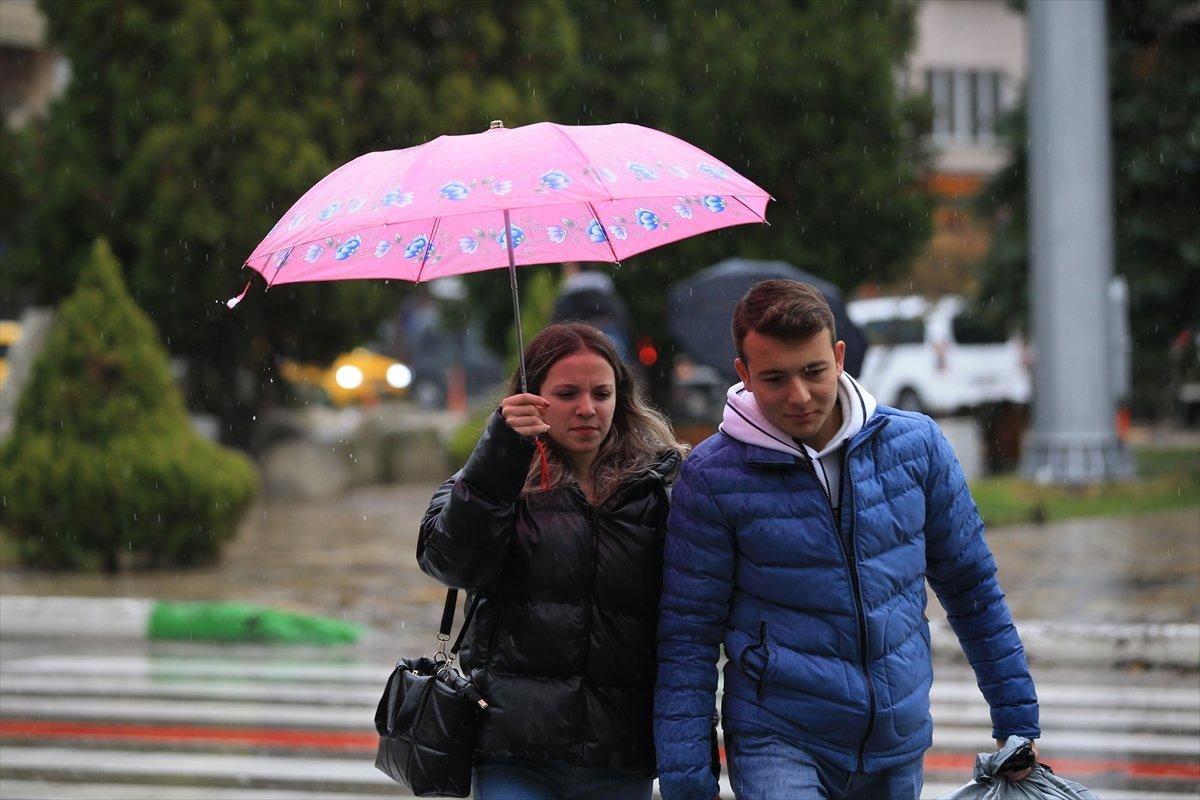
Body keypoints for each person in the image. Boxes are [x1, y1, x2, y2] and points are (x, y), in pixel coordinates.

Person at [654, 280, 1040, 800]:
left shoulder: (916, 446)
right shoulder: (713, 477)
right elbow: (688, 635)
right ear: (743, 374)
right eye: (774, 378)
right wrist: (687, 783)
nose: (799, 396)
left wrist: (1015, 720)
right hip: (778, 739)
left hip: (895, 738)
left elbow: (972, 589)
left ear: (838, 358)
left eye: (813, 372)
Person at [418, 322, 687, 800]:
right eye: (566, 394)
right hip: (513, 751)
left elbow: (689, 618)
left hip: (620, 754)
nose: (587, 409)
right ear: (532, 398)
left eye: (601, 393)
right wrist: (501, 451)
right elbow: (451, 562)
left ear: (620, 398)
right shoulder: (494, 476)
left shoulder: (658, 487)